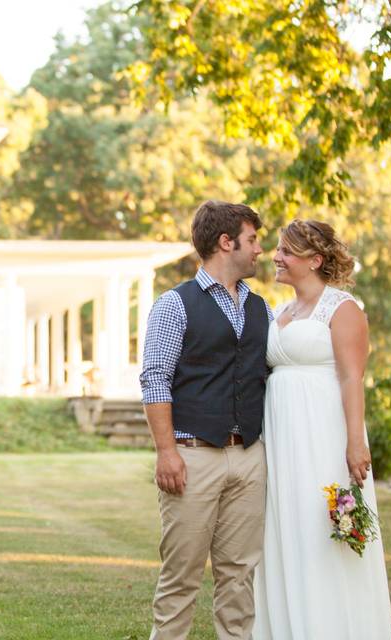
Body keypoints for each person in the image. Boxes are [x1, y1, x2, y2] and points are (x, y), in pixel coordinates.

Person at [252, 219, 391, 638]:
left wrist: (354, 444)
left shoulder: (343, 308)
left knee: (322, 530)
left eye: (286, 251)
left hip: (324, 438)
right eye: (277, 249)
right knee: (285, 532)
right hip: (281, 441)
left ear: (314, 260)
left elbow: (352, 378)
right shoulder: (279, 311)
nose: (276, 257)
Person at [140, 200, 273, 640]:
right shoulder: (174, 305)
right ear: (225, 241)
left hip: (248, 458)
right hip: (193, 458)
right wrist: (166, 452)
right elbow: (155, 378)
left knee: (239, 578)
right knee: (182, 577)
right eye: (252, 239)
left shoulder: (262, 309)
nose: (259, 249)